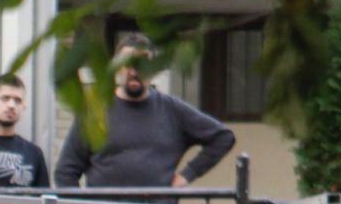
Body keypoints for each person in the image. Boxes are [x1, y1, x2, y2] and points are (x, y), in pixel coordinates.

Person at [54, 45, 237, 191]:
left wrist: (188, 174)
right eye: (128, 63)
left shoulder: (172, 110)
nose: (135, 71)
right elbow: (66, 172)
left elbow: (223, 137)